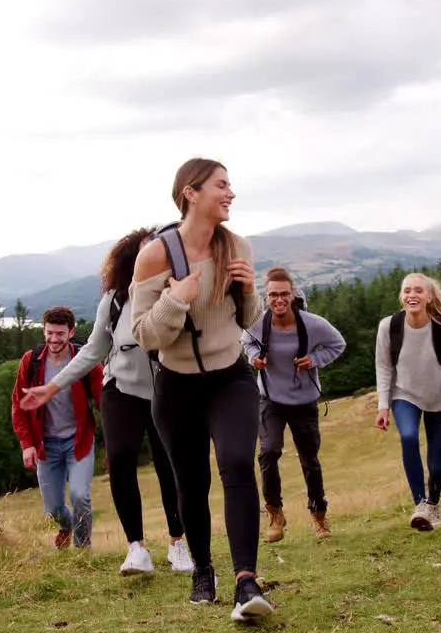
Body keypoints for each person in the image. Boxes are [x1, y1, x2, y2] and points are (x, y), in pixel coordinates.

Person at [129, 157, 274, 623]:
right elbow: (144, 336)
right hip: (176, 389)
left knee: (236, 465)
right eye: (221, 185)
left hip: (230, 379)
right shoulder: (156, 255)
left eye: (230, 185)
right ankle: (203, 571)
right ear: (190, 192)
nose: (230, 193)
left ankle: (246, 580)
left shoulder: (238, 247)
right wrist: (176, 299)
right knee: (191, 484)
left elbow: (248, 318)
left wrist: (250, 292)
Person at [19, 228, 194, 576]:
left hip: (166, 391)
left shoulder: (176, 292)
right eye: (147, 253)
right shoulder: (113, 301)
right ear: (132, 259)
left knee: (168, 465)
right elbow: (92, 352)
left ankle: (178, 543)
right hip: (121, 390)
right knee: (121, 459)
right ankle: (136, 549)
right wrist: (52, 387)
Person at [241, 266, 346, 542]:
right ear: (267, 296)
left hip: (304, 402)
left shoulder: (312, 324)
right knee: (268, 452)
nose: (278, 300)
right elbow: (247, 343)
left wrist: (315, 359)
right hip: (271, 400)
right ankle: (275, 514)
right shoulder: (259, 323)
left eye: (284, 294)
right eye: (273, 294)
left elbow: (338, 344)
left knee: (310, 460)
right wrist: (255, 358)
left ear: (292, 295)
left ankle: (319, 516)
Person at [373, 272, 441, 532]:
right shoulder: (389, 326)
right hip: (404, 395)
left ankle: (433, 504)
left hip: (439, 398)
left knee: (437, 462)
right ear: (401, 296)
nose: (412, 295)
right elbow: (383, 367)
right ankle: (420, 505)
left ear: (429, 297)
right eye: (407, 290)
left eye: (418, 291)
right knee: (407, 436)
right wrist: (383, 405)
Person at [10, 306, 104, 549]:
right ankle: (66, 525)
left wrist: (116, 443)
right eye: (49, 333)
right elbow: (18, 406)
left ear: (71, 333)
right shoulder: (30, 361)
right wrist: (27, 444)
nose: (54, 339)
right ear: (43, 331)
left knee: (80, 496)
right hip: (46, 447)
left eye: (60, 333)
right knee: (52, 508)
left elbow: (106, 401)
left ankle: (83, 549)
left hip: (79, 442)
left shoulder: (86, 363)